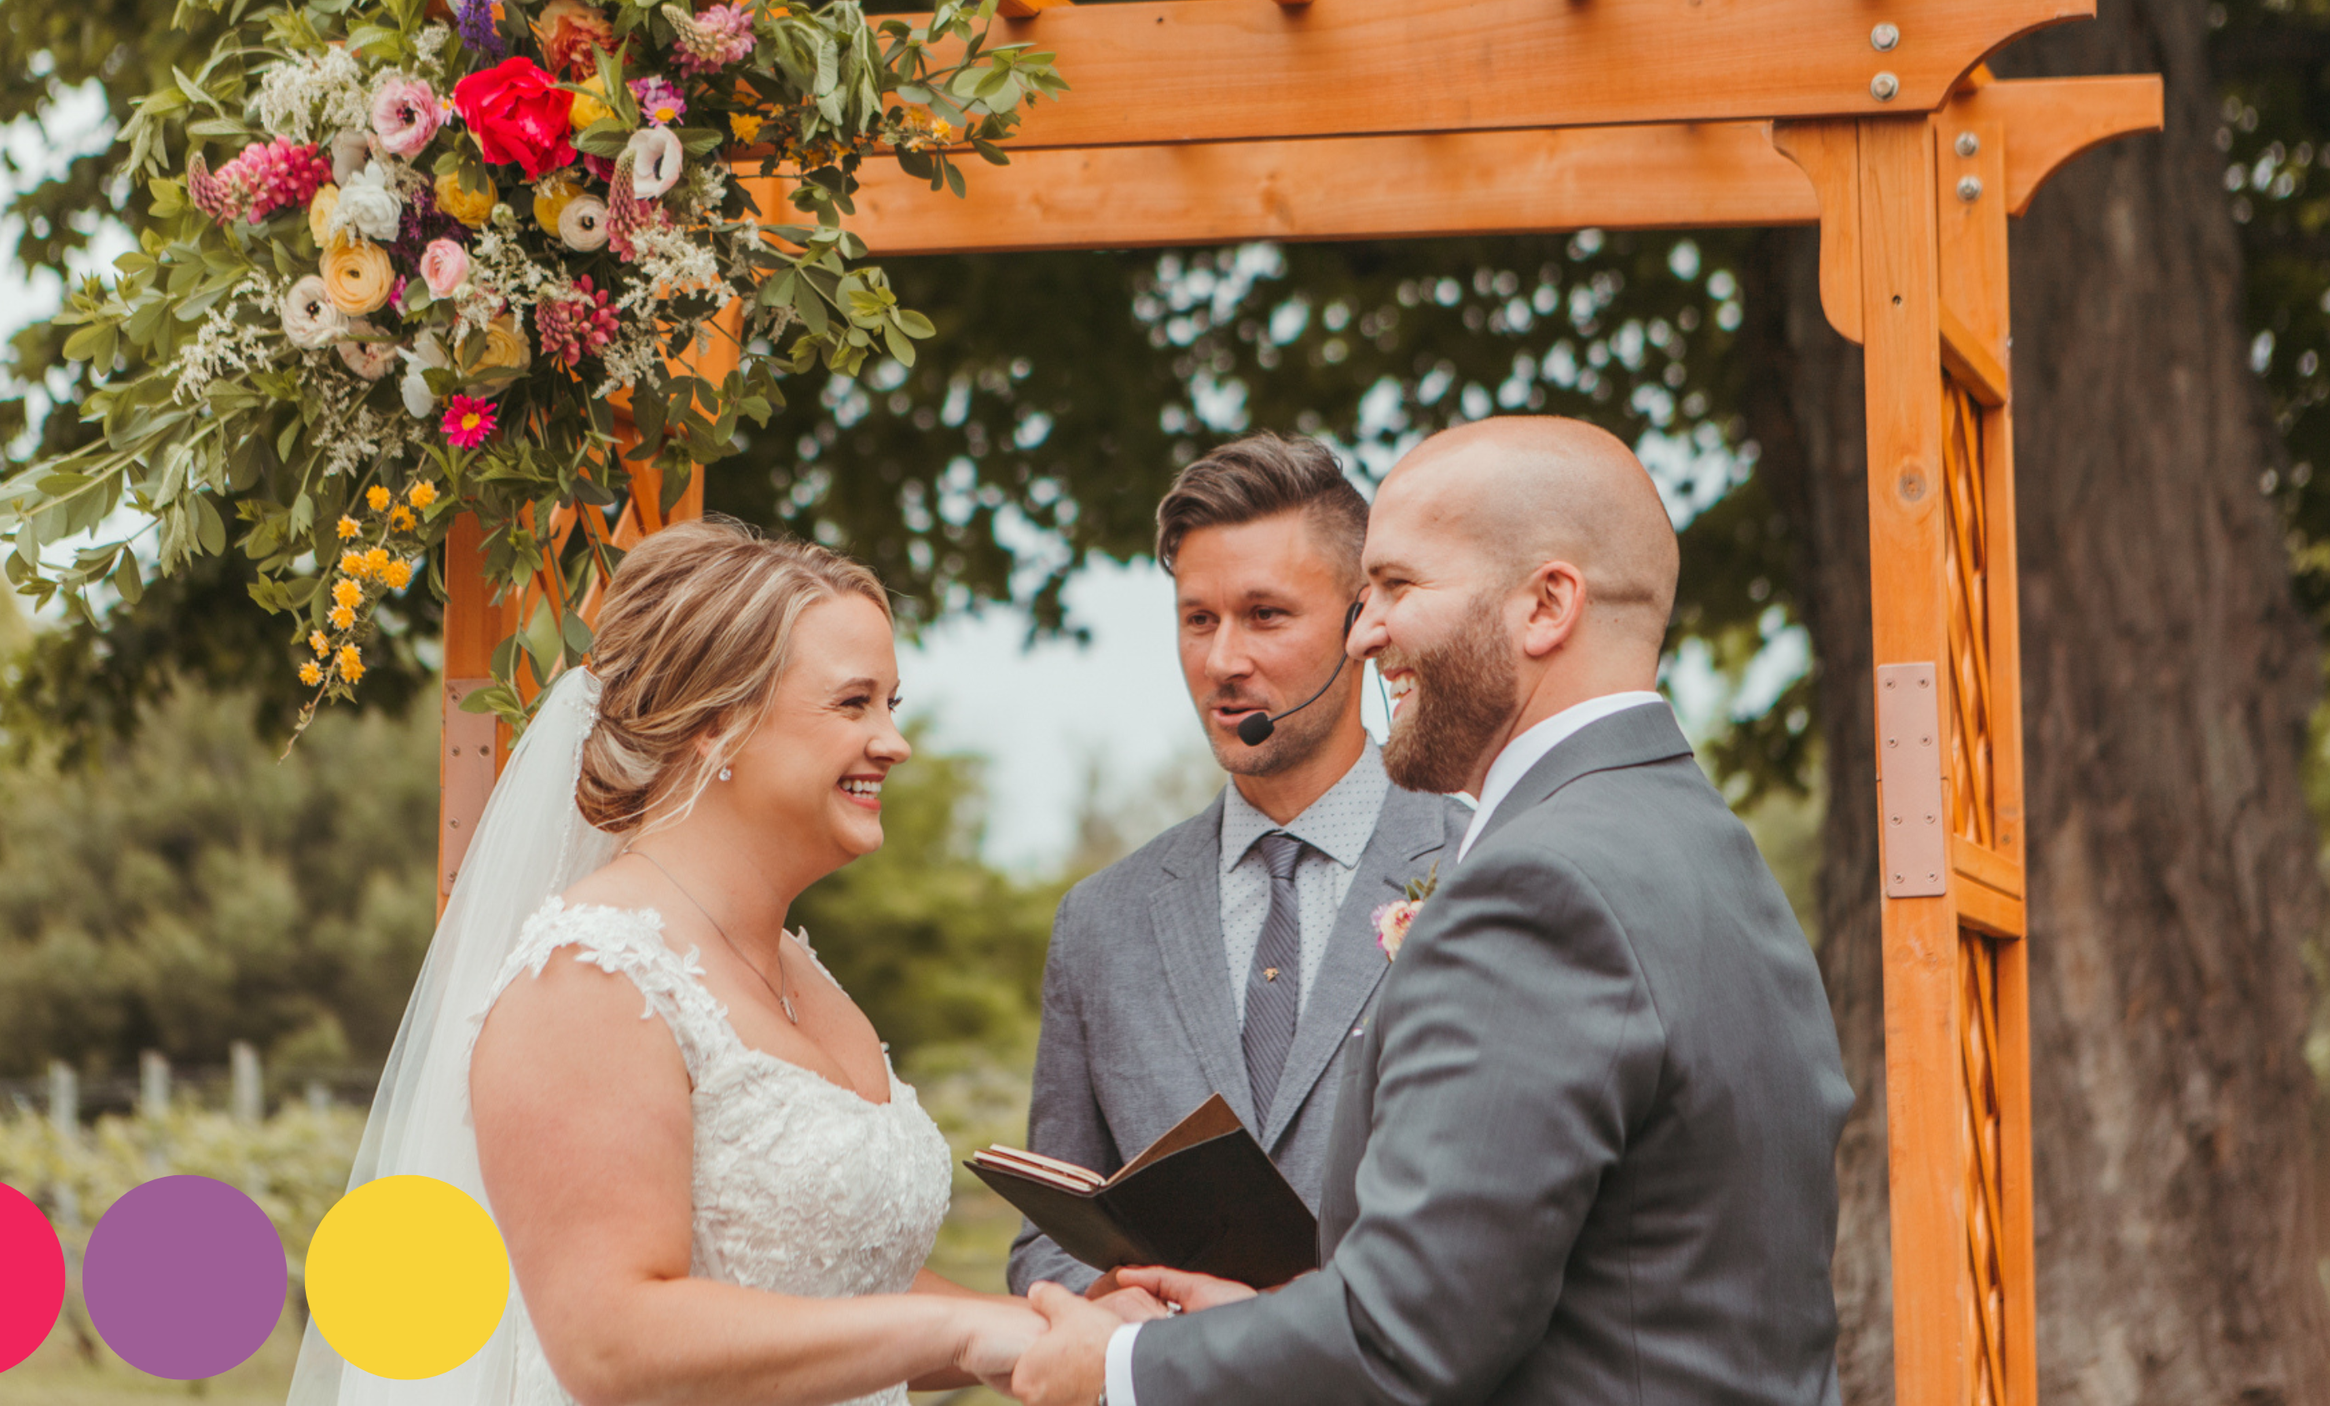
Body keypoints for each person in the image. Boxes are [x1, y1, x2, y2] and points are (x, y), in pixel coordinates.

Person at [1003, 416, 1856, 1406]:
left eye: (1399, 589)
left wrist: (1119, 1369)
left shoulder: (1537, 883)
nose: (1367, 634)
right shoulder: (1700, 843)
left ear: (1544, 606)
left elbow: (1409, 1333)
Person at [285, 521, 1044, 1406]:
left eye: (892, 705)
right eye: (853, 704)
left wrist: (1043, 1325)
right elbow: (612, 1341)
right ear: (719, 722)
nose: (893, 742)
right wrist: (961, 1330)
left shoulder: (804, 976)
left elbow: (823, 1286)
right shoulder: (592, 978)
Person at [1010, 434, 1466, 1297]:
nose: (1223, 660)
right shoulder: (1099, 921)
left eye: (1265, 615)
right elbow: (1044, 1245)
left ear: (1361, 621)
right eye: (1198, 618)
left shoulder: (1483, 864)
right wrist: (1128, 1302)